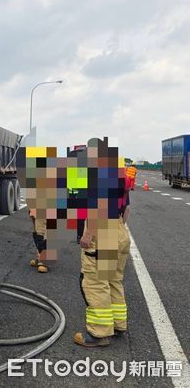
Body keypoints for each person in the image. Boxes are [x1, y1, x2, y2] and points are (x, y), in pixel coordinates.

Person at [74, 138, 131, 347]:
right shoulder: (118, 175)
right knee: (113, 280)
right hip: (119, 229)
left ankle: (98, 334)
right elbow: (126, 209)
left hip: (102, 230)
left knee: (96, 282)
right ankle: (117, 325)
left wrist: (88, 234)